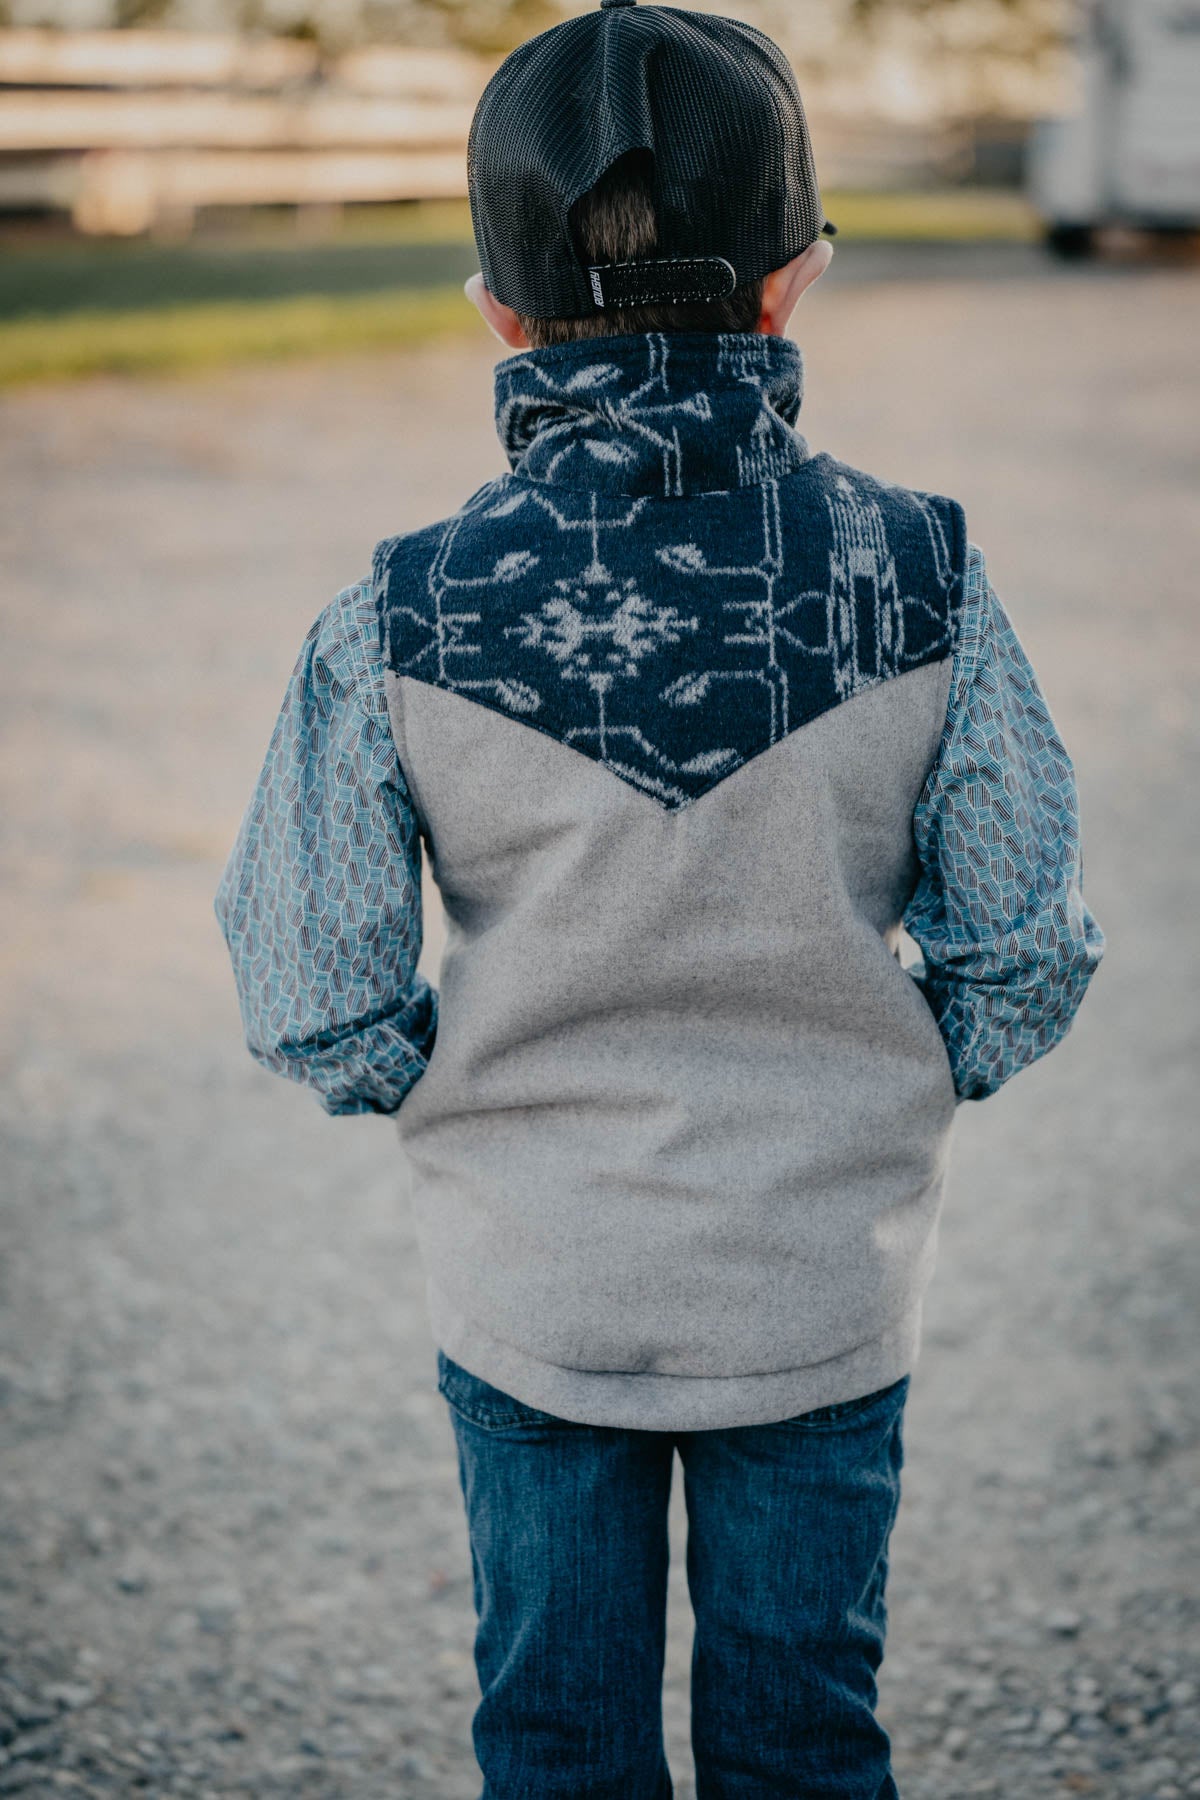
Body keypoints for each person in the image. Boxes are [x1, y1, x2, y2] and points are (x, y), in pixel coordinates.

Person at [214, 3, 1106, 1794]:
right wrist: (873, 1074)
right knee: (804, 1735)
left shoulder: (403, 613)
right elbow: (1023, 953)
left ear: (497, 314)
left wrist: (464, 1096)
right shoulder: (919, 577)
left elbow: (312, 990)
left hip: (535, 1283)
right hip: (817, 1285)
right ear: (795, 285)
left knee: (556, 1737)